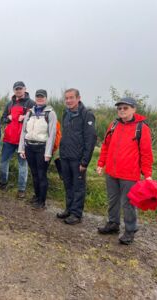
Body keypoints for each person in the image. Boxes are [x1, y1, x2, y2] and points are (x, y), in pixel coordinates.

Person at [96, 97, 153, 245]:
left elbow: (146, 153)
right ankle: (113, 224)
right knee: (113, 200)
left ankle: (130, 230)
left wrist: (147, 174)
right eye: (119, 108)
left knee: (128, 203)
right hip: (111, 172)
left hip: (129, 174)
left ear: (134, 109)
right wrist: (101, 163)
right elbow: (106, 146)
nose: (122, 110)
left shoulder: (141, 128)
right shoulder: (114, 124)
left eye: (125, 108)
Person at [56, 88, 97, 225]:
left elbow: (90, 140)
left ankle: (76, 214)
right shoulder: (65, 114)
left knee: (78, 187)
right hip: (65, 156)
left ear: (78, 98)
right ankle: (69, 209)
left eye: (71, 97)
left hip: (78, 159)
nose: (68, 100)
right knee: (68, 185)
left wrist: (85, 162)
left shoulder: (87, 115)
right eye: (66, 98)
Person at [18, 89, 57, 209]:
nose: (40, 99)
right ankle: (36, 196)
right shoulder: (30, 113)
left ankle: (42, 201)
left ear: (46, 98)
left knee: (41, 174)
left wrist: (48, 152)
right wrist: (21, 149)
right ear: (35, 98)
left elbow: (52, 134)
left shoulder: (50, 113)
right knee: (34, 174)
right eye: (38, 97)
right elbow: (24, 131)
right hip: (29, 147)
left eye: (42, 97)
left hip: (42, 148)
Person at [0, 81, 35, 198]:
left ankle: (21, 189)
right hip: (9, 139)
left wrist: (26, 117)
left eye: (20, 88)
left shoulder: (31, 103)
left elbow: (36, 120)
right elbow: (3, 119)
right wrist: (7, 118)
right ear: (14, 90)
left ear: (25, 89)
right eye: (16, 89)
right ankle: (3, 183)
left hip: (23, 140)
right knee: (4, 162)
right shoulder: (9, 104)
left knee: (22, 165)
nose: (18, 90)